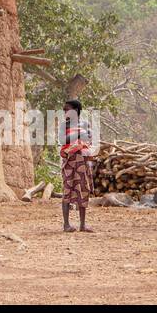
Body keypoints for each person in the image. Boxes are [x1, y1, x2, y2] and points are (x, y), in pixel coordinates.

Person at [60, 99, 94, 233]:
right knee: (67, 189)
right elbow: (62, 140)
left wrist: (81, 137)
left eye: (66, 109)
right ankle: (66, 224)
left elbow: (89, 138)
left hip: (83, 161)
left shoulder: (85, 123)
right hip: (69, 161)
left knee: (83, 189)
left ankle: (82, 224)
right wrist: (79, 135)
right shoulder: (64, 125)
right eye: (64, 110)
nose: (64, 112)